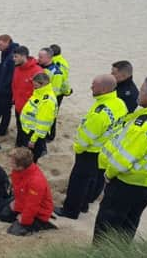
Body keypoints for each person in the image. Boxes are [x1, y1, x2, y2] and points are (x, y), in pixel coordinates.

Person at [93, 75, 147, 242]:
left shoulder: (144, 126)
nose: (138, 94)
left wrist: (108, 174)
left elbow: (122, 161)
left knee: (106, 227)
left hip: (127, 184)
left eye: (141, 91)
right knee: (129, 223)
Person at [54, 75, 127, 220]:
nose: (91, 87)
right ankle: (85, 203)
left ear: (104, 89)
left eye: (94, 85)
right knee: (95, 178)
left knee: (78, 181)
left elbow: (86, 138)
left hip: (90, 151)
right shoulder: (119, 103)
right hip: (106, 150)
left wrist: (78, 148)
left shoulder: (101, 112)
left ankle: (71, 210)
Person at [0, 148, 55, 236]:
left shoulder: (36, 181)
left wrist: (24, 219)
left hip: (39, 211)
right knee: (3, 216)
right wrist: (17, 204)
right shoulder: (18, 171)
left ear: (21, 166)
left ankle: (42, 224)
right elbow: (19, 191)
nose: (10, 163)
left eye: (12, 162)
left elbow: (32, 205)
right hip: (24, 201)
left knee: (14, 231)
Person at [19, 73, 57, 162]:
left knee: (31, 159)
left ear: (42, 84)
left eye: (35, 86)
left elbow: (43, 125)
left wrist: (33, 140)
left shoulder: (47, 101)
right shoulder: (39, 92)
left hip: (34, 134)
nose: (34, 88)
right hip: (28, 130)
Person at [12, 46, 44, 147]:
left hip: (30, 110)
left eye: (16, 57)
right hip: (18, 106)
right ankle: (19, 145)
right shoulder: (17, 68)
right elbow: (15, 85)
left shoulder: (37, 71)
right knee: (20, 129)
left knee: (28, 133)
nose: (14, 59)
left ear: (23, 56)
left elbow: (41, 92)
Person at [37, 47, 65, 141]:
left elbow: (55, 91)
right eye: (38, 56)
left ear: (49, 58)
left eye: (41, 57)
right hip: (39, 95)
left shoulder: (56, 72)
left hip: (49, 98)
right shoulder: (39, 66)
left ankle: (50, 136)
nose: (38, 58)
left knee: (51, 117)